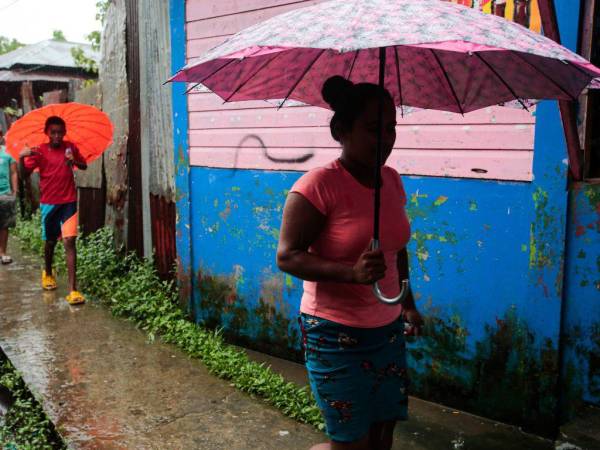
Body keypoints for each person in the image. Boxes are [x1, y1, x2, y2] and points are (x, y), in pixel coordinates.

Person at [277, 76, 423, 450]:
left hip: (387, 330)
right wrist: (351, 273)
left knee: (382, 434)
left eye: (391, 128)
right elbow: (288, 256)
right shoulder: (317, 186)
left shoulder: (391, 181)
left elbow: (397, 247)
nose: (386, 139)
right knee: (350, 443)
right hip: (334, 335)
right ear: (341, 131)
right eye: (374, 129)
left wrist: (407, 303)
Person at [19, 116, 87, 305]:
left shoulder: (70, 147)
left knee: (69, 241)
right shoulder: (39, 151)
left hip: (69, 202)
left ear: (64, 132)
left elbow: (84, 165)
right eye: (53, 132)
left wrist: (75, 160)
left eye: (60, 132)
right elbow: (24, 175)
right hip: (49, 203)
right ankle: (48, 272)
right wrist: (21, 156)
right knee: (50, 242)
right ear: (47, 133)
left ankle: (73, 290)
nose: (56, 135)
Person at [0, 129, 17, 265]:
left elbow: (13, 172)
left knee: (4, 225)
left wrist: (15, 191)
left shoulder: (8, 152)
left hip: (5, 193)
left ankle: (3, 252)